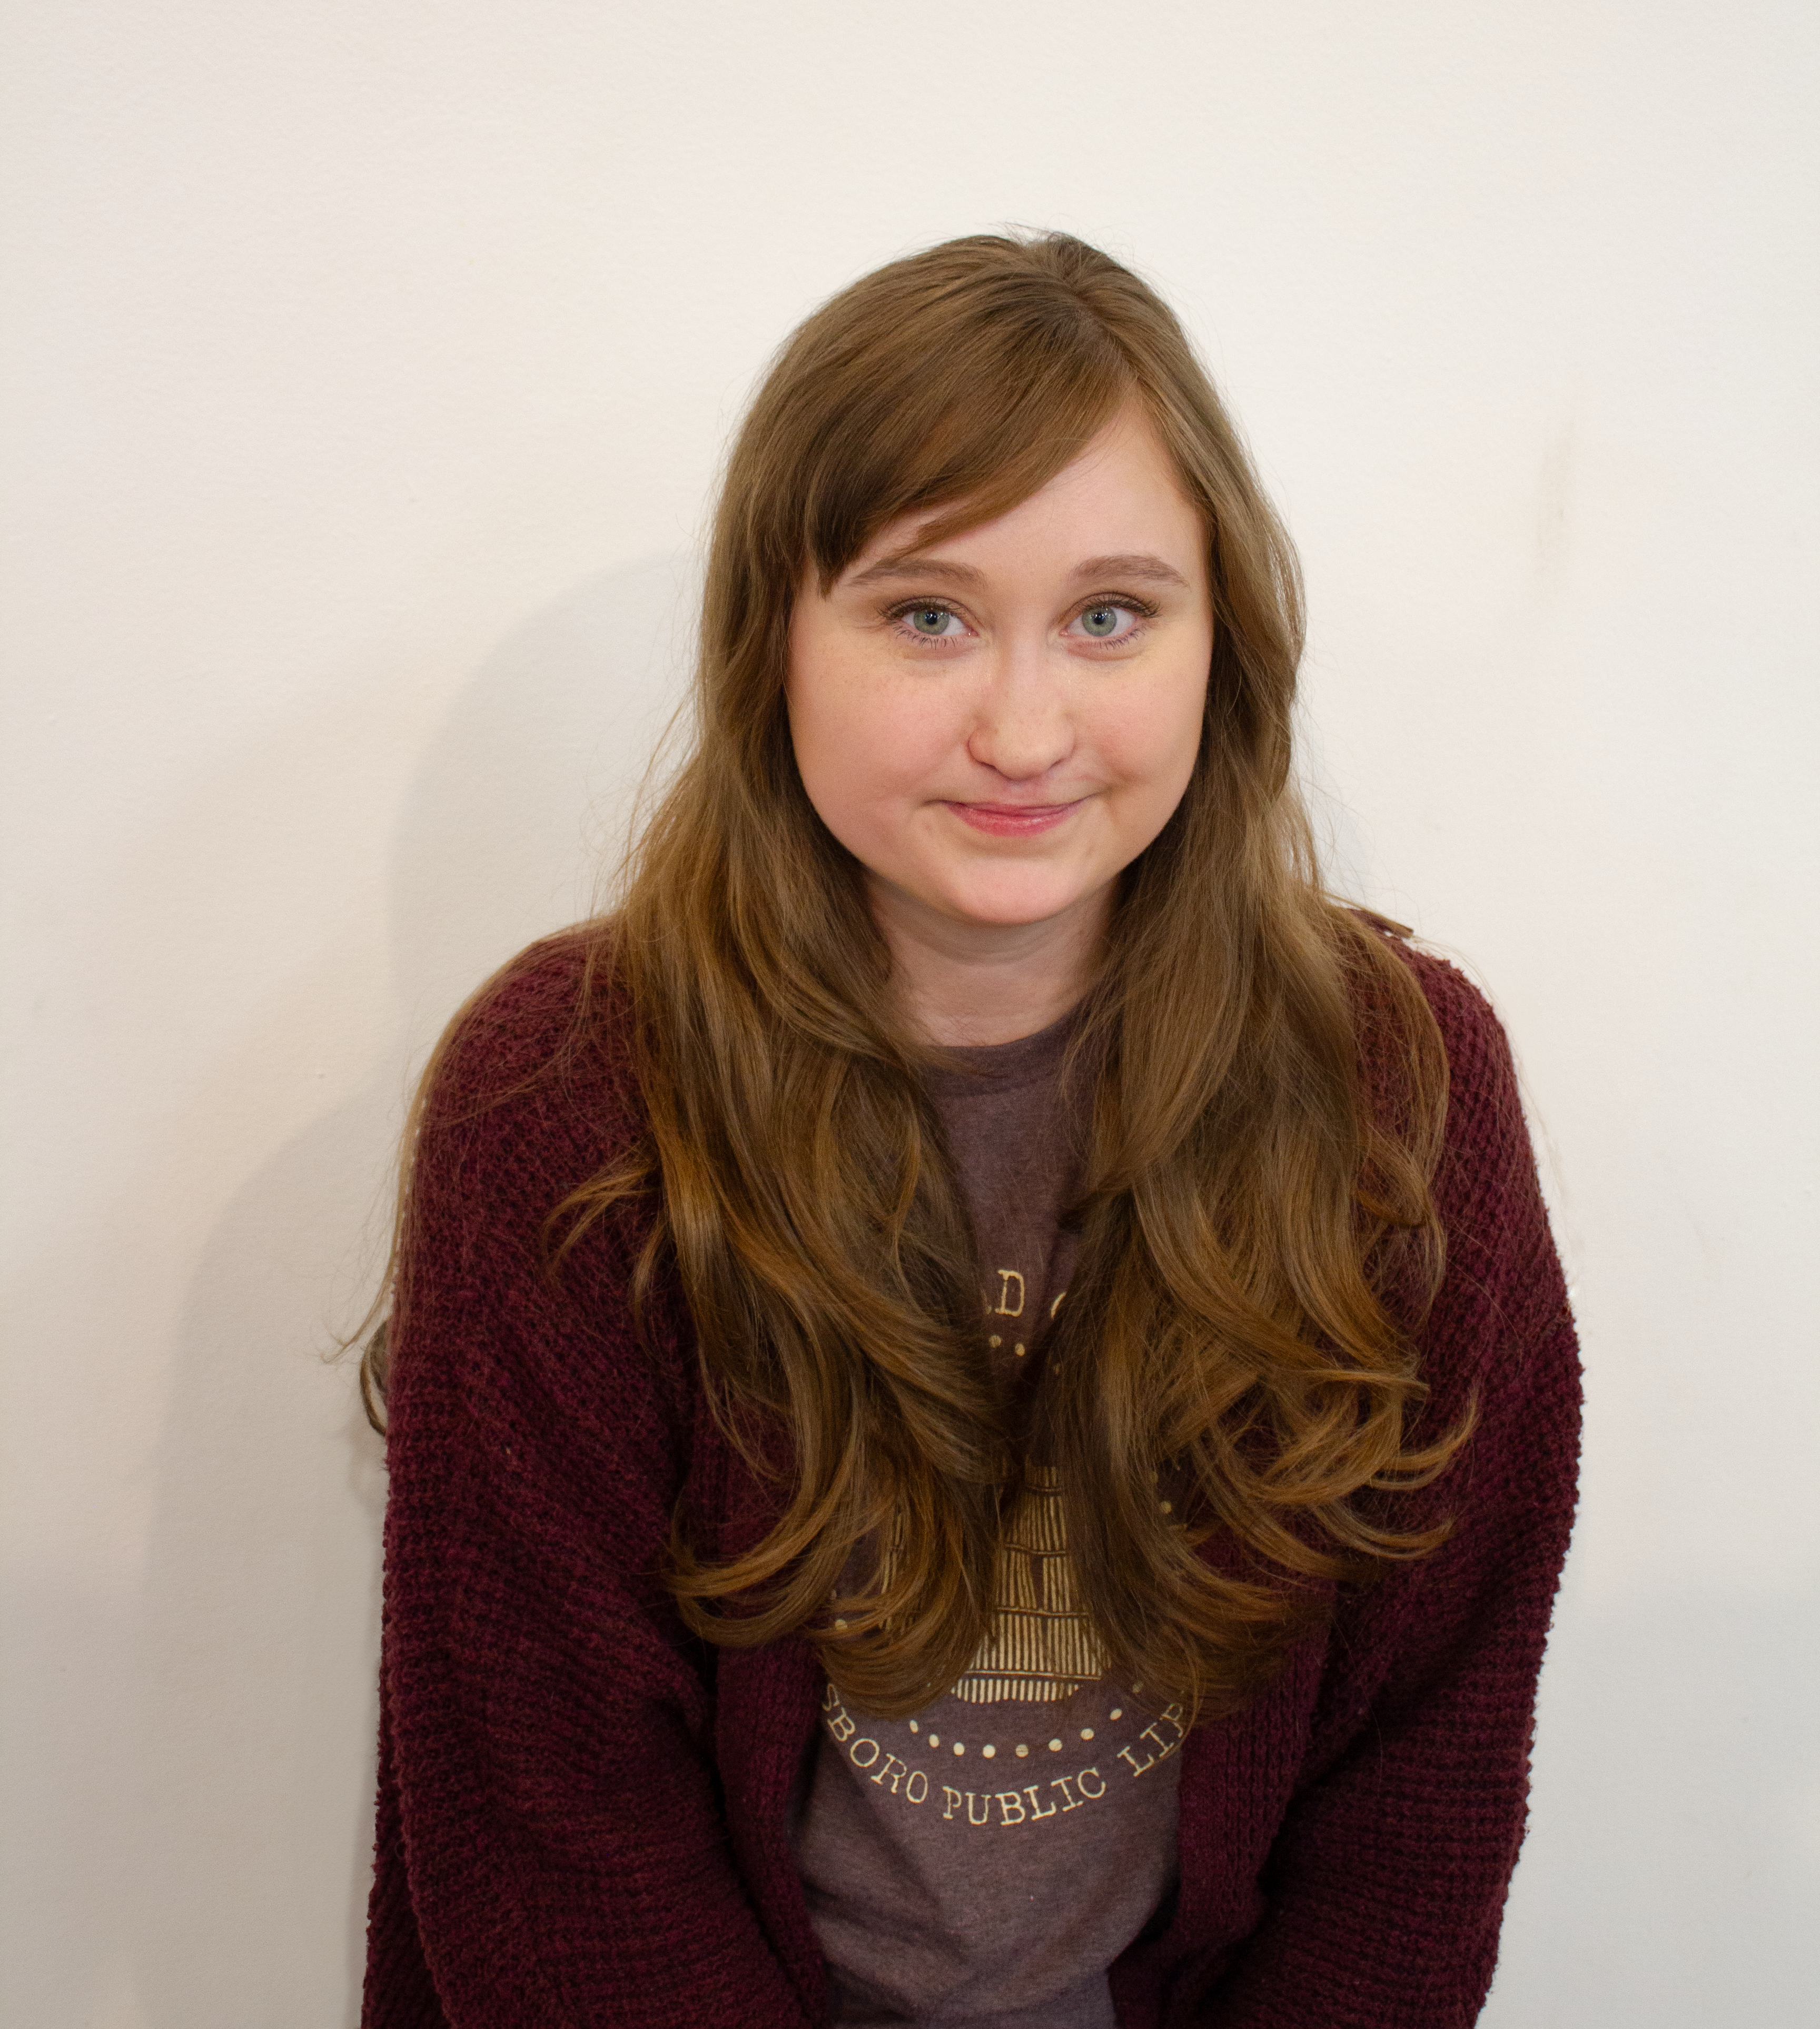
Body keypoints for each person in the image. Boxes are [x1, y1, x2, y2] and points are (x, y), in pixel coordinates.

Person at [358, 232, 1581, 2029]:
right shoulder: (562, 1101)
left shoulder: (1406, 1091)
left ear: (1219, 639)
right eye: (925, 612)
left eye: (1111, 615)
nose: (1024, 728)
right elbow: (552, 1834)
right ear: (774, 640)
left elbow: (1422, 1782)